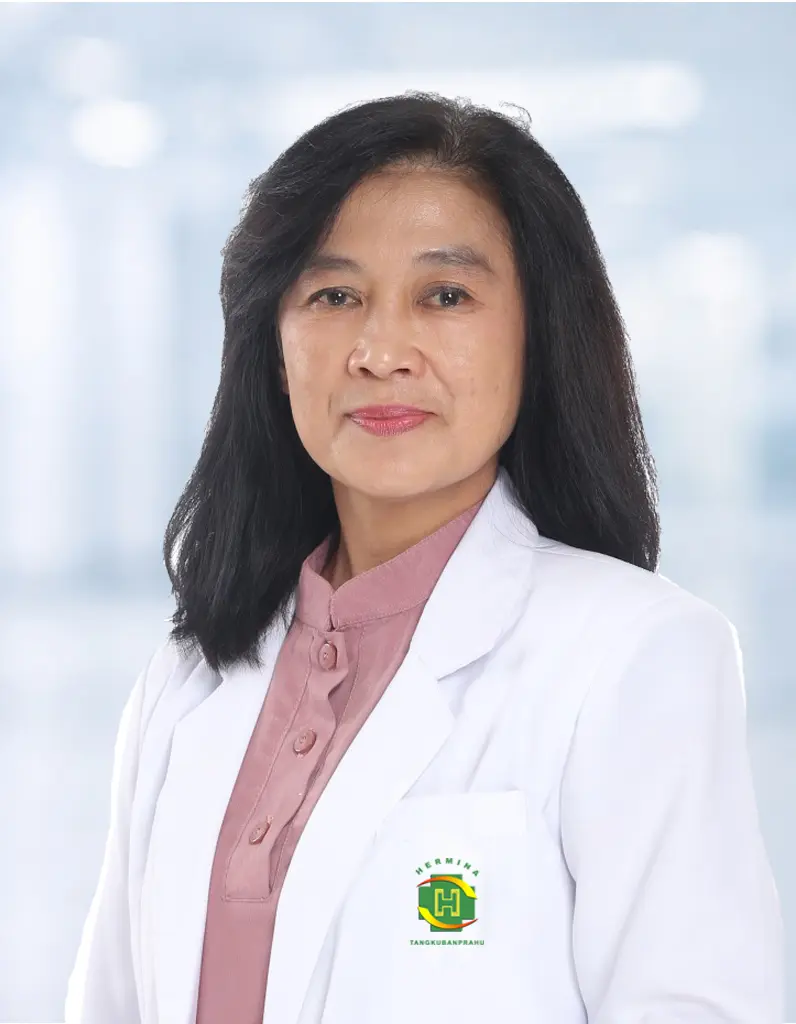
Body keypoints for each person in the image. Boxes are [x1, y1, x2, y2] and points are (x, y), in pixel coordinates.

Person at [64, 92, 784, 1024]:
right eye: (334, 296)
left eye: (445, 296)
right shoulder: (188, 678)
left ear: (537, 335)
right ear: (273, 346)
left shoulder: (634, 655)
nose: (380, 351)